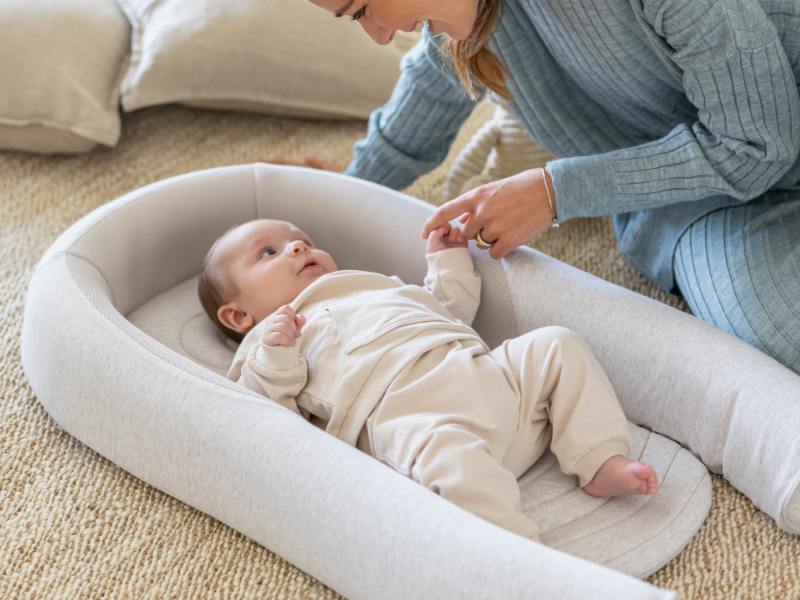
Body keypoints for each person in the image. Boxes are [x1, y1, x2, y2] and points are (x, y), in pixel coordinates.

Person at [305, 0, 800, 375]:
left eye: (363, 8)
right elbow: (401, 138)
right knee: (780, 333)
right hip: (683, 203)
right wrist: (304, 220)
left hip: (772, 125)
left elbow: (758, 143)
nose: (377, 34)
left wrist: (553, 193)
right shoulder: (456, 32)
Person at [197, 218, 659, 541]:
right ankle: (518, 558)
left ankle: (598, 459)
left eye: (302, 240)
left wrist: (447, 258)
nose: (298, 248)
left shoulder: (373, 285)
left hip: (493, 383)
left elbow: (447, 306)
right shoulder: (269, 339)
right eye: (269, 253)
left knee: (557, 344)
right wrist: (276, 357)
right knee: (451, 459)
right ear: (238, 314)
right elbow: (265, 419)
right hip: (418, 422)